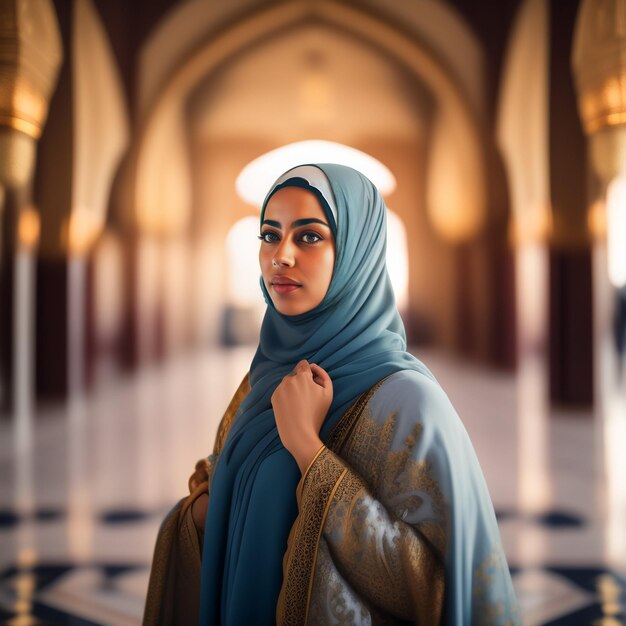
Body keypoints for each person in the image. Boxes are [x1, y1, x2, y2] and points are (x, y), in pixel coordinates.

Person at [143, 163, 520, 625]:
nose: (280, 256)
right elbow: (218, 486)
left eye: (309, 237)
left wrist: (310, 453)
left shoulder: (408, 402)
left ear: (357, 253)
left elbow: (432, 592)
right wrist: (209, 511)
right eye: (269, 234)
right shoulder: (265, 380)